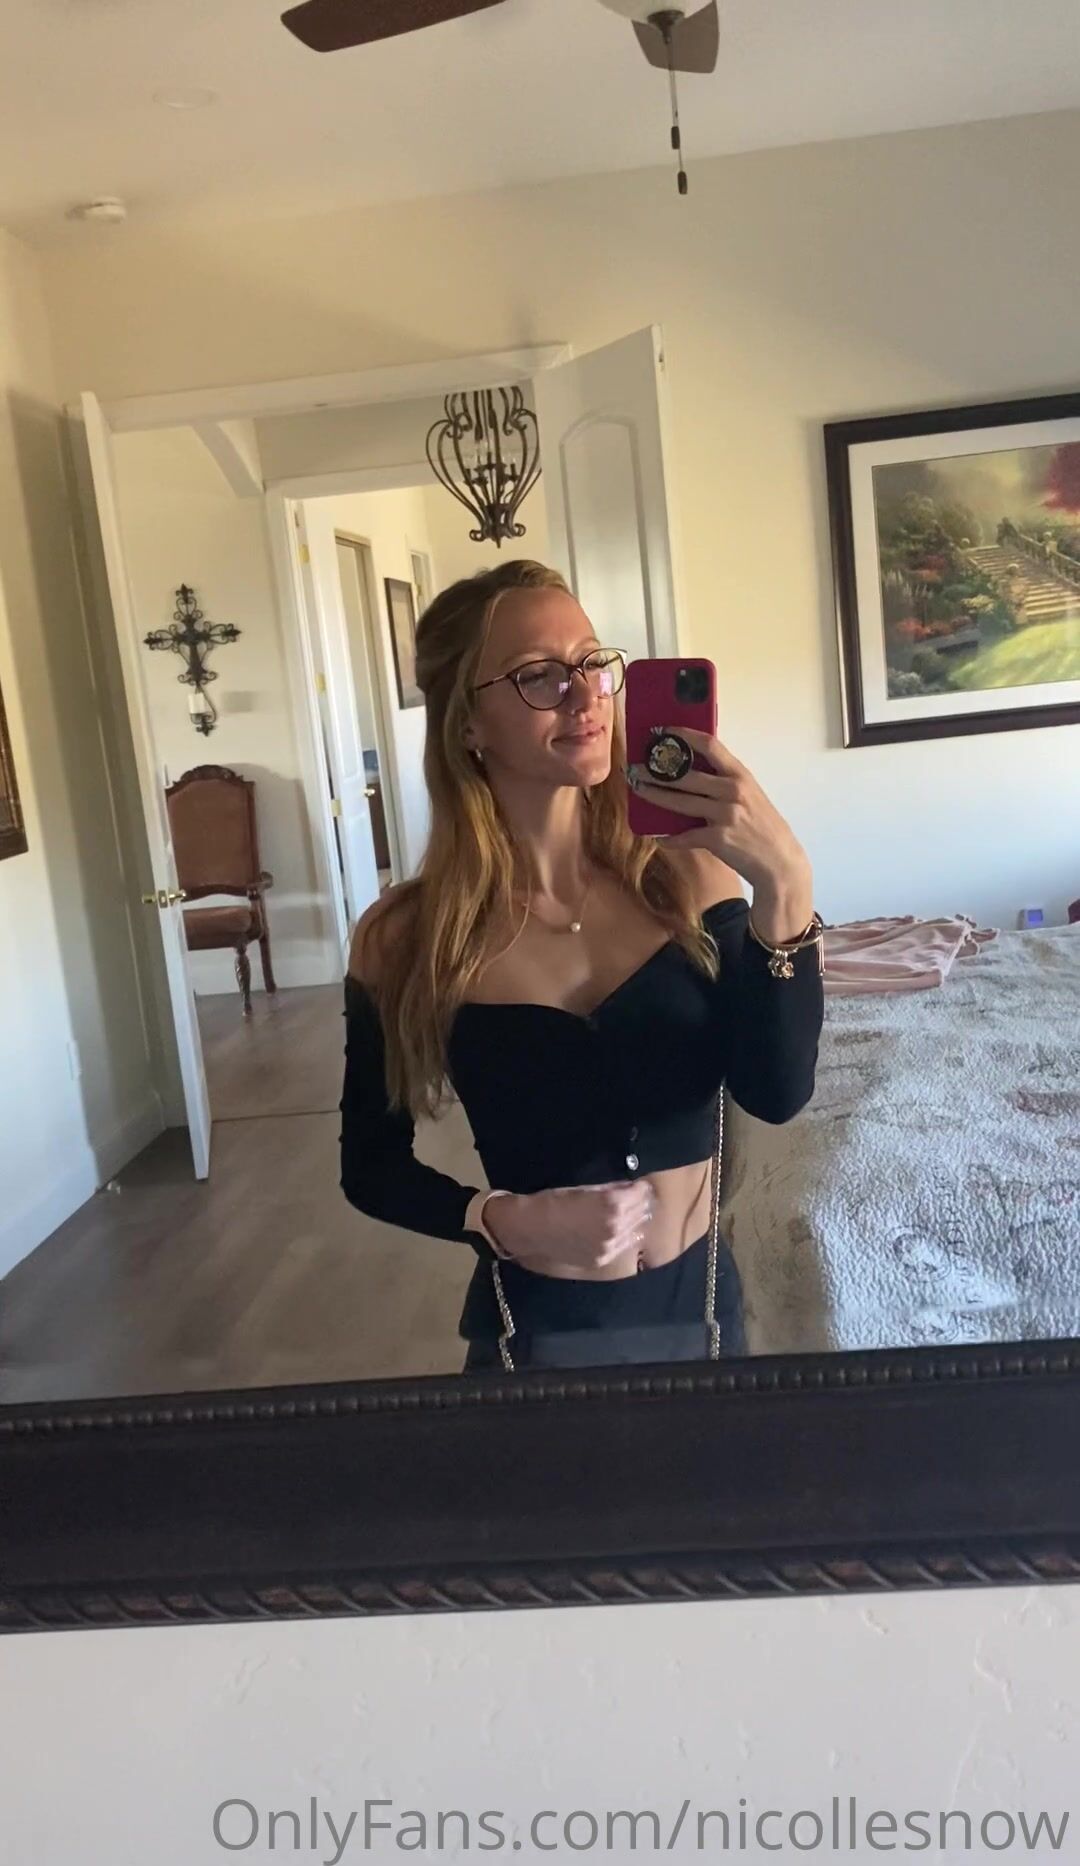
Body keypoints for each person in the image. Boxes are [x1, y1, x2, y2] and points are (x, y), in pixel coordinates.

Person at [340, 560, 824, 1371]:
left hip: (702, 1316)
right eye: (539, 675)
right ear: (467, 725)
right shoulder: (406, 937)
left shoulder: (692, 880)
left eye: (593, 663)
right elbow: (370, 1167)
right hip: (529, 1338)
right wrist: (495, 1218)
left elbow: (777, 1094)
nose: (586, 695)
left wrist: (787, 884)